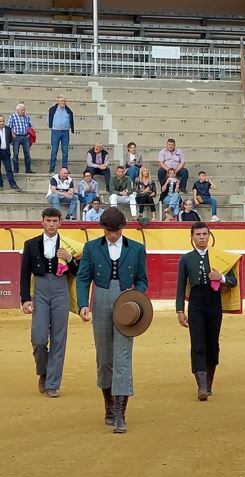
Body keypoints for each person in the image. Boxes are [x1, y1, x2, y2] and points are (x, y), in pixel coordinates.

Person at [76, 207, 149, 434]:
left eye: (116, 231)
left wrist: (136, 297)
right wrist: (82, 304)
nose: (113, 235)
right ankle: (108, 405)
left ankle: (119, 413)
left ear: (123, 227)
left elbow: (142, 280)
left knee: (123, 356)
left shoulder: (137, 249)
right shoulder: (91, 247)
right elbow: (83, 277)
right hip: (101, 297)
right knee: (105, 357)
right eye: (109, 231)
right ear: (103, 228)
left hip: (127, 302)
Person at [176, 221, 239, 401]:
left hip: (214, 302)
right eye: (198, 235)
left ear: (209, 236)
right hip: (196, 302)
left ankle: (208, 382)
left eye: (204, 234)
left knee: (213, 343)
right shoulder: (186, 258)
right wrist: (180, 310)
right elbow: (181, 287)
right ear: (192, 238)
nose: (202, 238)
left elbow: (234, 281)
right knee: (197, 343)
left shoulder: (219, 257)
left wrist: (222, 277)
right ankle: (202, 386)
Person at [20, 207, 79, 398]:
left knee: (58, 338)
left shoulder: (67, 246)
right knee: (38, 338)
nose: (51, 224)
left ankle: (52, 383)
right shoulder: (31, 244)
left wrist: (70, 260)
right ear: (42, 222)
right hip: (40, 291)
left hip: (60, 290)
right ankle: (44, 371)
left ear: (60, 223)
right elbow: (24, 273)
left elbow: (79, 273)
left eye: (55, 221)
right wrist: (25, 299)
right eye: (48, 221)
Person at [47, 95, 74, 173]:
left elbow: (70, 119)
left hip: (65, 132)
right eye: (62, 101)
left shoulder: (68, 110)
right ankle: (51, 169)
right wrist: (52, 126)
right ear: (58, 101)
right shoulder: (52, 110)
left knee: (65, 152)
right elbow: (48, 120)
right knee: (54, 151)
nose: (64, 103)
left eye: (65, 101)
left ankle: (64, 169)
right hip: (55, 132)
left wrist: (69, 127)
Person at [7, 102, 33, 174]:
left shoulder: (27, 117)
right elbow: (9, 127)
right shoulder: (12, 116)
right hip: (16, 137)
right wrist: (12, 134)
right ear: (17, 110)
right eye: (22, 110)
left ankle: (28, 169)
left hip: (25, 137)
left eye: (24, 110)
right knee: (15, 154)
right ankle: (16, 170)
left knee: (27, 154)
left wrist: (29, 134)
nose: (24, 111)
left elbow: (30, 126)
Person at [0, 120, 21, 190]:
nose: (2, 123)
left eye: (3, 121)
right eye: (0, 121)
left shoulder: (8, 129)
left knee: (9, 169)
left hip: (6, 151)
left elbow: (9, 139)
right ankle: (0, 184)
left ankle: (13, 184)